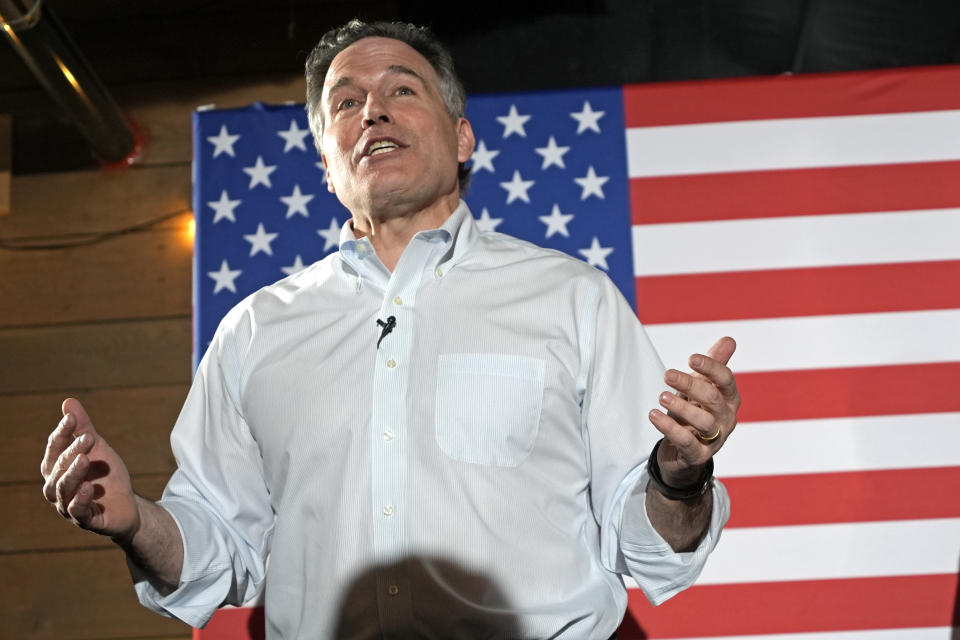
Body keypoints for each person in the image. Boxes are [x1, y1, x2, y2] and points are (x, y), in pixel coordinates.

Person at [41, 19, 740, 640]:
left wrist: (679, 475)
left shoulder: (572, 298)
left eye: (402, 90)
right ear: (326, 165)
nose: (372, 109)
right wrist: (136, 523)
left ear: (462, 136)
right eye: (346, 102)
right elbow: (220, 549)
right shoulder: (255, 330)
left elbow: (647, 545)